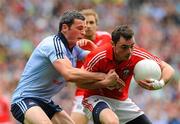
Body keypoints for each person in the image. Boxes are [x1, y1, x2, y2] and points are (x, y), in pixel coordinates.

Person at [10, 10, 121, 124]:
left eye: (84, 28)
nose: (83, 32)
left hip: (45, 101)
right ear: (64, 28)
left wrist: (93, 48)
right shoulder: (53, 44)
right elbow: (69, 74)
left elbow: (99, 62)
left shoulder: (74, 48)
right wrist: (102, 76)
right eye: (79, 28)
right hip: (25, 99)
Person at [81, 24, 175, 124]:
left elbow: (168, 68)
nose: (129, 51)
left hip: (121, 101)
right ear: (113, 44)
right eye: (124, 47)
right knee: (111, 122)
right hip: (95, 98)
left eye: (131, 46)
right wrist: (105, 82)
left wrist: (160, 84)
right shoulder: (98, 56)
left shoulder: (137, 54)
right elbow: (79, 83)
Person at [70, 9, 112, 124]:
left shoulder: (107, 38)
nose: (88, 26)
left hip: (106, 92)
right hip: (83, 92)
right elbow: (76, 77)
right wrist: (102, 76)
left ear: (97, 25)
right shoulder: (74, 45)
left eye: (91, 23)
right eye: (85, 23)